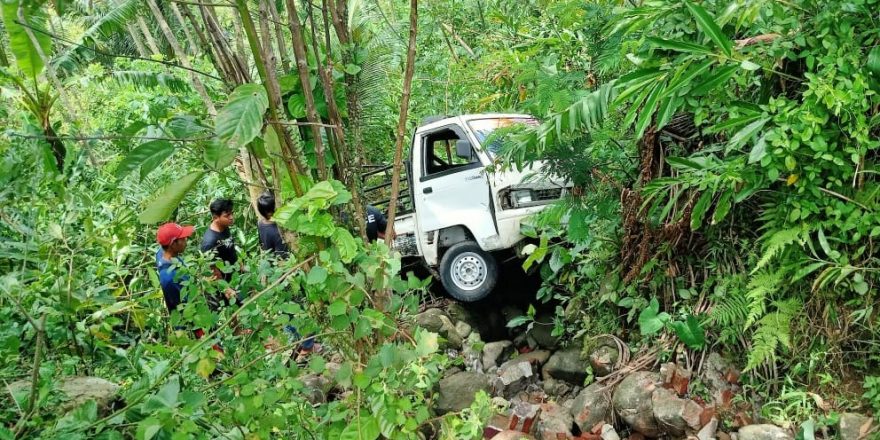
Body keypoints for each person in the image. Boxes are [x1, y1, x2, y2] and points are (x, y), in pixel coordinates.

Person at [256, 191, 318, 357]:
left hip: (275, 273)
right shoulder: (279, 228)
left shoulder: (261, 224)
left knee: (285, 309)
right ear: (271, 211)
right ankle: (307, 346)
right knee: (300, 306)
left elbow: (264, 248)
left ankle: (297, 340)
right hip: (287, 272)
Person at [155, 222, 195, 313]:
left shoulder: (161, 253)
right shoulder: (169, 278)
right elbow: (185, 304)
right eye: (183, 239)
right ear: (173, 244)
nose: (186, 240)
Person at [201, 198, 238, 282]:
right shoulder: (209, 242)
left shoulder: (224, 226)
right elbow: (213, 271)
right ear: (215, 218)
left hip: (234, 275)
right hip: (225, 283)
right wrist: (226, 289)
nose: (231, 217)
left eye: (232, 213)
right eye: (227, 215)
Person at [256, 191, 288, 258]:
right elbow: (282, 257)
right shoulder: (278, 231)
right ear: (270, 213)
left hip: (268, 257)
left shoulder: (260, 223)